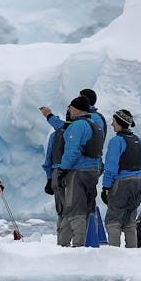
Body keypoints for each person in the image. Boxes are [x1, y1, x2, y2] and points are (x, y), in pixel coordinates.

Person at [53, 96, 105, 246]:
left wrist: (63, 169)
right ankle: (68, 243)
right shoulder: (96, 125)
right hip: (93, 171)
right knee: (88, 208)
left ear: (76, 108)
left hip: (78, 172)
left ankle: (80, 246)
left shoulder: (77, 126)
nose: (69, 110)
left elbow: (72, 152)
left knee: (75, 209)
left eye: (70, 107)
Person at [101, 109, 141, 247]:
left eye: (113, 121)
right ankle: (132, 252)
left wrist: (106, 187)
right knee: (130, 219)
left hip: (121, 182)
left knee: (114, 219)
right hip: (138, 181)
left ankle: (114, 253)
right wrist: (137, 177)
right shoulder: (139, 141)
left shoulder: (117, 141)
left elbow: (111, 166)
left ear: (120, 122)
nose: (112, 124)